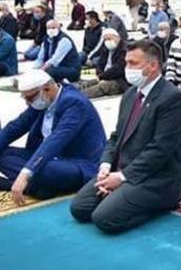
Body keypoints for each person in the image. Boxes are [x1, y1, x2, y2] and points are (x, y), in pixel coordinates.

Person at [70, 40, 181, 234]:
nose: (127, 68)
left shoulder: (172, 98)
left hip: (156, 178)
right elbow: (116, 136)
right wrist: (105, 166)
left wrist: (121, 178)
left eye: (133, 63)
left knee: (104, 219)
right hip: (123, 169)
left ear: (153, 65)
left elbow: (160, 150)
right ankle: (122, 194)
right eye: (126, 62)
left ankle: (159, 205)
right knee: (80, 208)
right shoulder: (131, 94)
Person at [0, 70, 106, 203]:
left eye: (29, 98)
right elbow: (15, 127)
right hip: (47, 157)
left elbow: (55, 141)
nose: (27, 103)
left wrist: (26, 173)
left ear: (47, 89)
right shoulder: (41, 101)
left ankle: (18, 185)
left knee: (47, 170)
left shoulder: (74, 103)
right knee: (3, 154)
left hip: (75, 162)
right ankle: (40, 188)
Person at [80, 28, 129, 99]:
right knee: (88, 83)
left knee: (103, 86)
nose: (107, 41)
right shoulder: (106, 49)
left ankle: (80, 96)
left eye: (109, 39)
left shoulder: (124, 50)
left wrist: (101, 77)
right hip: (104, 76)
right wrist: (100, 74)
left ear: (117, 37)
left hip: (119, 80)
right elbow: (100, 64)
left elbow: (118, 69)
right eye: (105, 40)